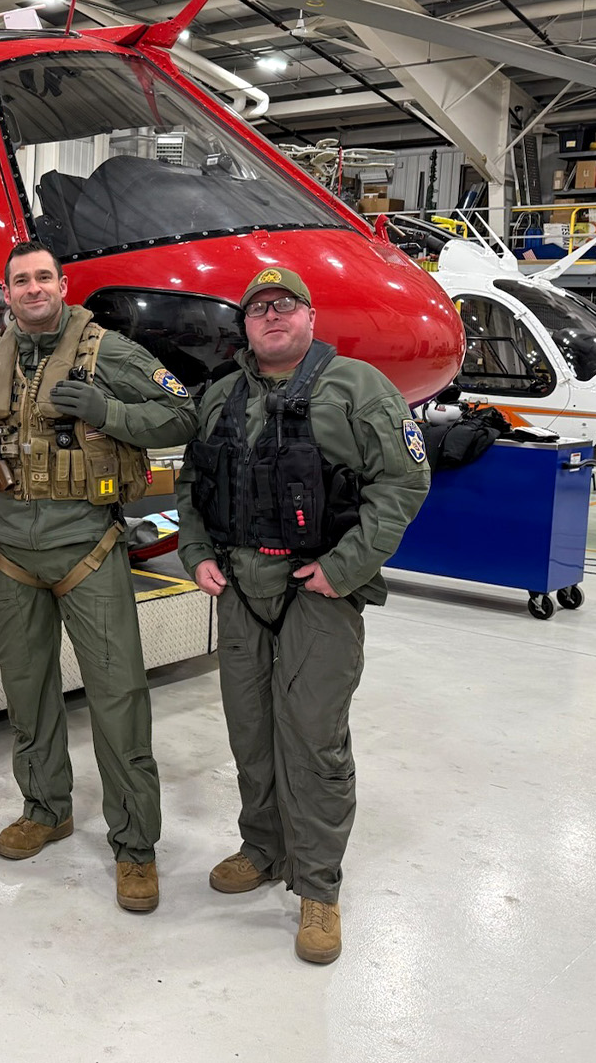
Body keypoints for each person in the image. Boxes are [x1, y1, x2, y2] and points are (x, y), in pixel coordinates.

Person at [177, 265, 429, 964]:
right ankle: (262, 848)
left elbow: (404, 481)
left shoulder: (357, 389)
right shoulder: (221, 395)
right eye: (259, 309)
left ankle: (317, 885)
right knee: (250, 733)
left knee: (314, 741)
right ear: (246, 326)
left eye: (286, 306)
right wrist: (195, 550)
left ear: (311, 318)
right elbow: (194, 482)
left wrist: (344, 566)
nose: (272, 316)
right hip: (238, 587)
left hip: (317, 591)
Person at [0, 241, 195, 913]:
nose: (33, 288)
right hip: (9, 554)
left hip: (88, 547)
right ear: (7, 290)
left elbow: (182, 414)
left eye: (43, 277)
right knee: (28, 696)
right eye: (20, 280)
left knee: (118, 702)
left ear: (62, 283)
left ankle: (135, 847)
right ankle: (45, 807)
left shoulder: (107, 352)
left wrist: (107, 414)